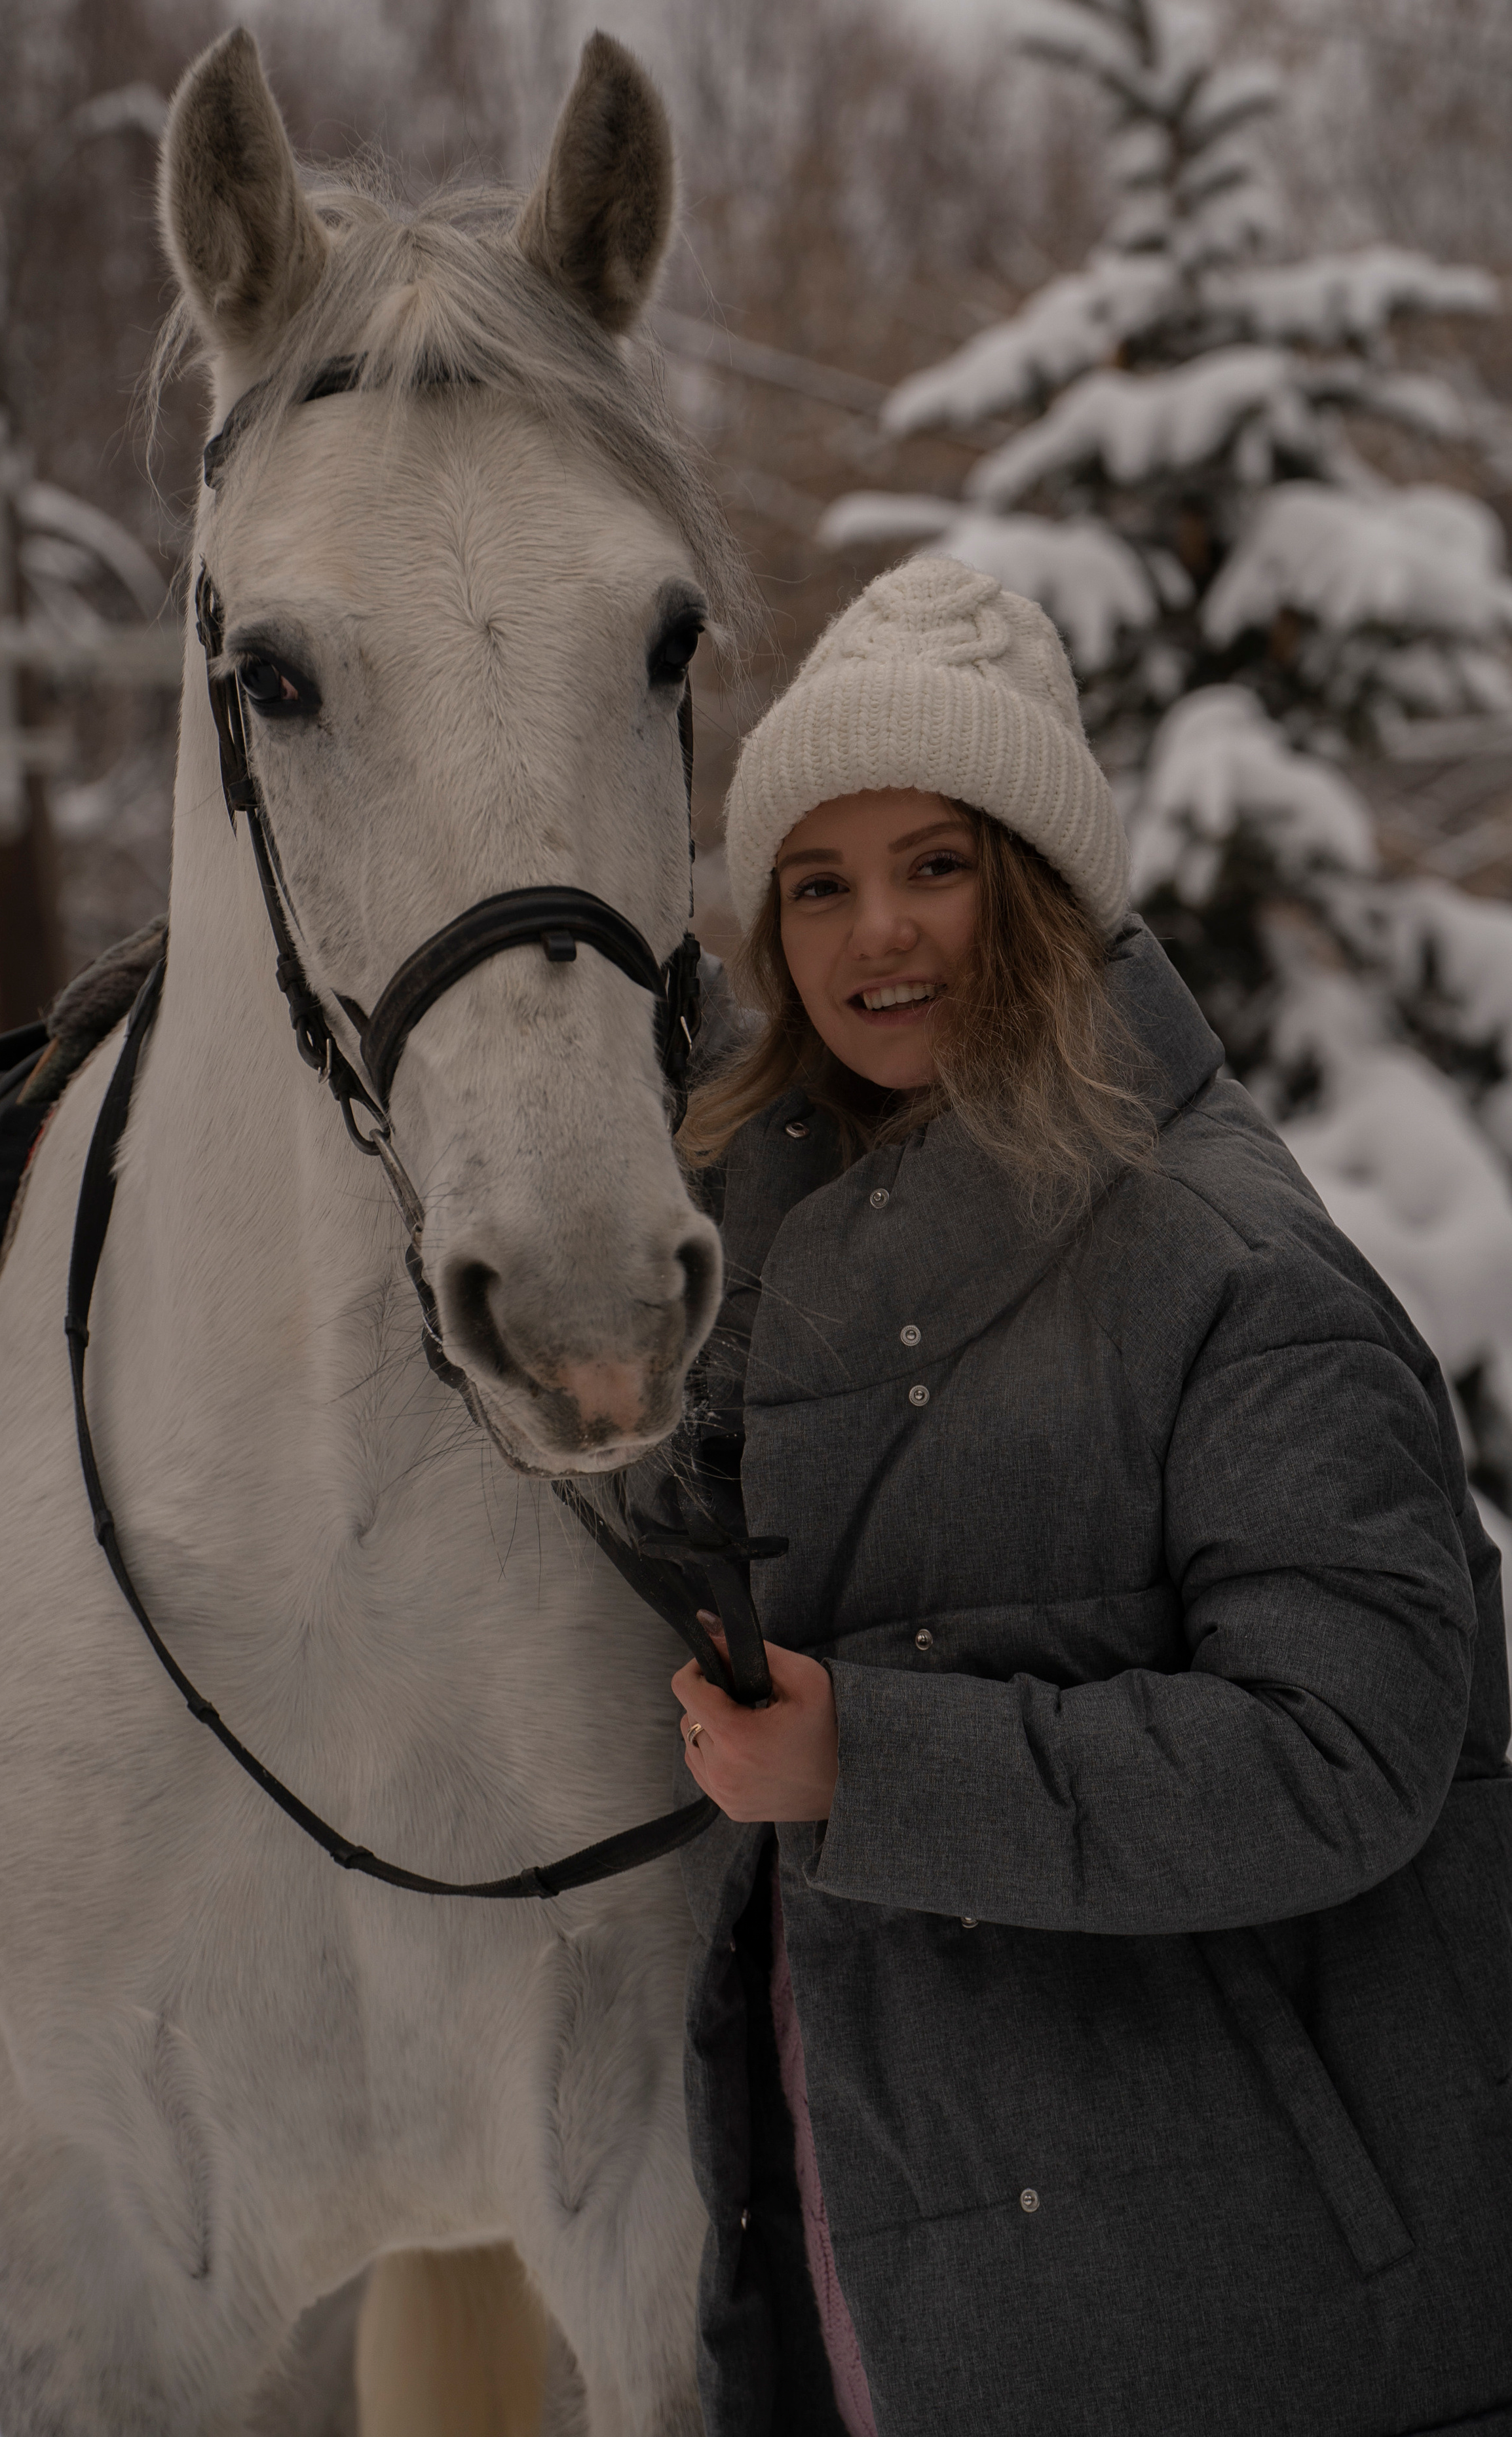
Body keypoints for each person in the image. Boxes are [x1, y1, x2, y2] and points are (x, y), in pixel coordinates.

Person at [643, 557, 1512, 2437]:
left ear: (1042, 891)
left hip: (1248, 2322)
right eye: (819, 881)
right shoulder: (777, 1255)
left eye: (938, 865)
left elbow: (1345, 1751)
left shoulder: (1226, 1266)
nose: (879, 934)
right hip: (884, 2261)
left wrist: (872, 1766)